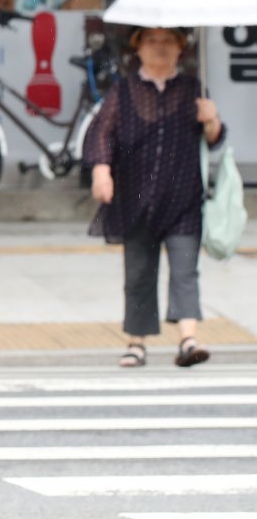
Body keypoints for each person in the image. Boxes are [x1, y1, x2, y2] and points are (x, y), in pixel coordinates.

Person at [83, 27, 225, 368]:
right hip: (136, 197)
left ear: (180, 48)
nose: (160, 48)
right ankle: (137, 342)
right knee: (138, 273)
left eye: (168, 41)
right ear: (139, 49)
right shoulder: (125, 90)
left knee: (185, 269)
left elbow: (215, 140)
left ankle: (188, 339)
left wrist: (212, 118)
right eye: (151, 41)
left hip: (183, 198)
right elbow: (102, 131)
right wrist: (101, 171)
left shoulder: (194, 88)